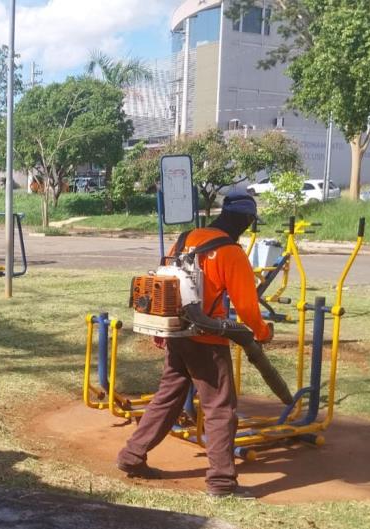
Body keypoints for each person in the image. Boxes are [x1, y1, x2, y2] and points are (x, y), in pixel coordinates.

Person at [116, 191, 272, 498]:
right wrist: (262, 333)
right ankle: (222, 483)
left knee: (168, 398)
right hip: (207, 339)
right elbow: (248, 307)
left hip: (177, 334)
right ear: (245, 221)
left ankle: (131, 456)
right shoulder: (230, 252)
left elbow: (166, 282)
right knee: (220, 408)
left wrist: (163, 331)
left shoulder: (186, 238)